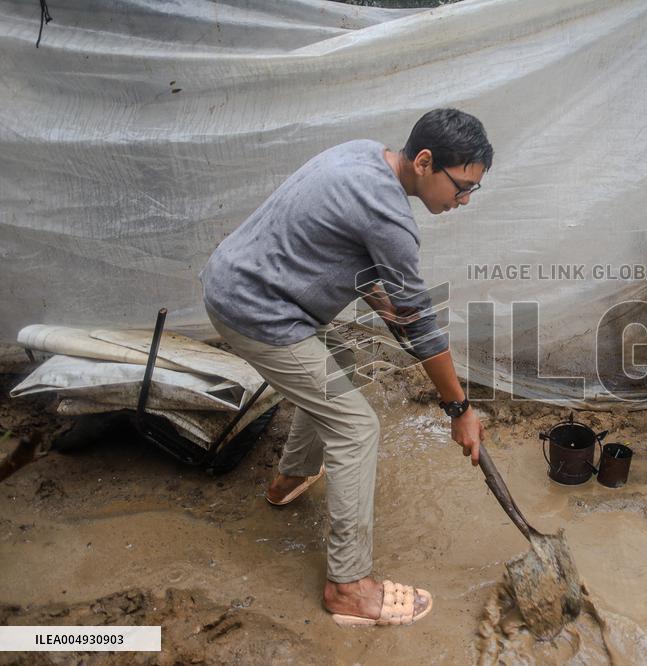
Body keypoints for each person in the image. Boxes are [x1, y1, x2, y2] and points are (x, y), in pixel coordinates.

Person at [199, 108, 492, 627]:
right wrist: (460, 409)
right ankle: (349, 587)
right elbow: (421, 325)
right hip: (256, 310)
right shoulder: (391, 217)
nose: (463, 201)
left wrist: (386, 301)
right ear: (425, 162)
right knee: (357, 429)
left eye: (472, 191)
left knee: (344, 362)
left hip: (242, 279)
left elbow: (338, 243)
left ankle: (288, 479)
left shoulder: (364, 156)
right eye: (461, 187)